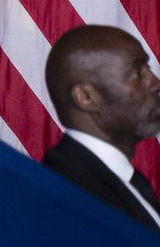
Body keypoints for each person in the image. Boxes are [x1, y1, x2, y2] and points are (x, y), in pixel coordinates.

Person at [40, 24, 160, 230]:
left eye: (148, 69)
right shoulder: (74, 193)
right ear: (86, 98)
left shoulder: (126, 182)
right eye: (138, 73)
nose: (155, 83)